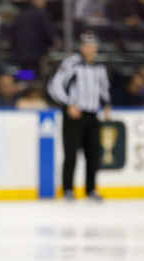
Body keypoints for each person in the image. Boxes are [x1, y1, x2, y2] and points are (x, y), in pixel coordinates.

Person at [48, 31, 111, 201]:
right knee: (71, 153)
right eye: (87, 45)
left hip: (92, 114)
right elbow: (55, 85)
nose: (90, 49)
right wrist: (68, 104)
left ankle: (91, 189)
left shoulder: (100, 66)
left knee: (93, 154)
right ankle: (68, 189)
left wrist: (106, 105)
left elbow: (103, 88)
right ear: (81, 47)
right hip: (75, 114)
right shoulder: (71, 64)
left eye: (93, 46)